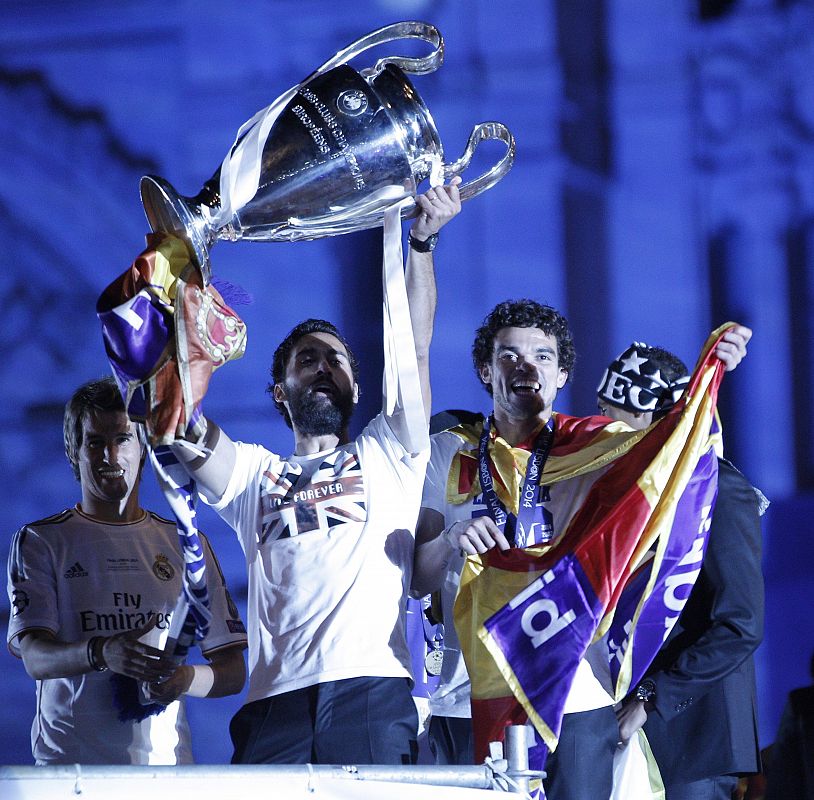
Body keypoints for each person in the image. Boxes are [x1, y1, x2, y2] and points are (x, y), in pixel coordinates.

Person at [164, 181, 462, 765]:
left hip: (371, 691)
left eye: (337, 359)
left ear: (354, 383)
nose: (324, 367)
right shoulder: (254, 474)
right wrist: (169, 314)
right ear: (281, 392)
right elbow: (182, 425)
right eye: (308, 360)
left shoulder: (390, 452)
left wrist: (421, 244)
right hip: (273, 702)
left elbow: (414, 348)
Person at [412, 300, 751, 799]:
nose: (527, 367)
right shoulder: (448, 451)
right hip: (465, 698)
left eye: (543, 357)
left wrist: (714, 372)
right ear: (486, 369)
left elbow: (678, 452)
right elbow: (417, 579)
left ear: (562, 372)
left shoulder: (601, 448)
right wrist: (448, 539)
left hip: (574, 696)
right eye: (509, 355)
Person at [6, 377, 247, 765]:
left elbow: (233, 672)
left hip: (164, 775)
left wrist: (183, 680)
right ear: (74, 451)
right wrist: (102, 652)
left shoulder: (186, 543)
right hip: (71, 774)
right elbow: (34, 658)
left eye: (122, 439)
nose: (110, 456)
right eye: (95, 442)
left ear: (144, 446)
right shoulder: (40, 541)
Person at [602, 342, 765, 800]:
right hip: (628, 727)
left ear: (658, 417)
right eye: (601, 412)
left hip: (694, 738)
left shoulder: (719, 488)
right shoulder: (629, 494)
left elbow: (741, 624)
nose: (605, 431)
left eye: (618, 418)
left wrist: (652, 698)